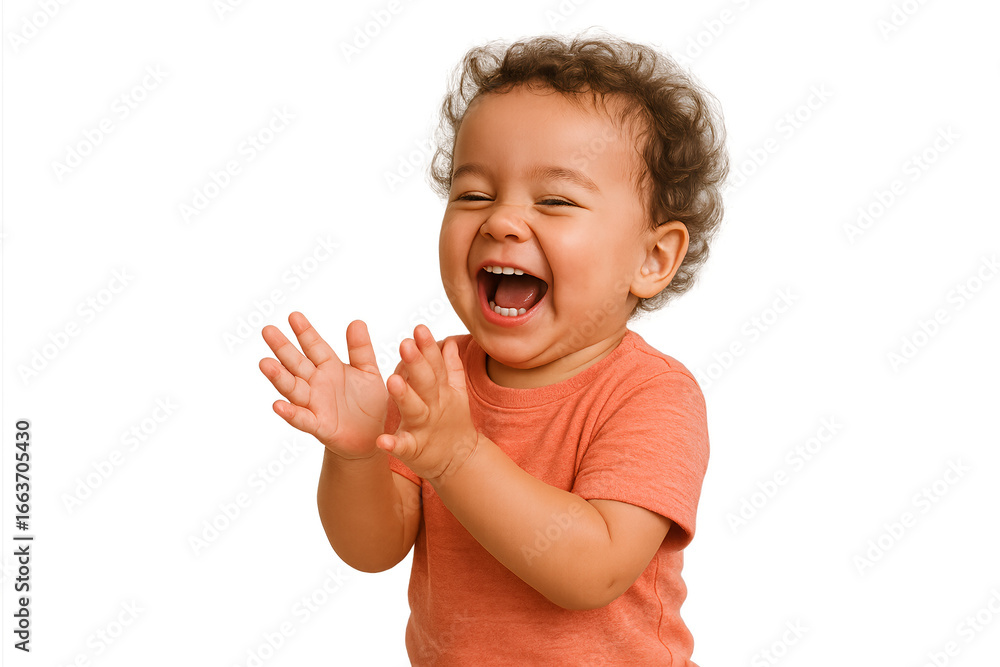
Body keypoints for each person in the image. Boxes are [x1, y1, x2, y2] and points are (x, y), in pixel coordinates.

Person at [259, 29, 727, 665]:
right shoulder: (436, 379)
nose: (501, 220)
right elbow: (372, 550)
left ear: (652, 257)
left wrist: (459, 458)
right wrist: (355, 455)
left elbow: (593, 572)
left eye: (555, 200)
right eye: (474, 194)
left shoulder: (652, 395)